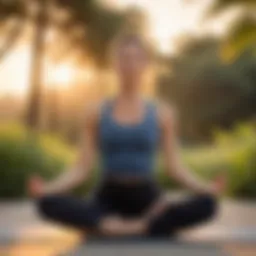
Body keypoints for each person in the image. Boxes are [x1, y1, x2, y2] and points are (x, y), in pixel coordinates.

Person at [28, 34, 225, 238]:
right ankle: (144, 226)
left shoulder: (163, 113)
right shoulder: (95, 111)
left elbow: (175, 167)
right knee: (46, 203)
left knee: (208, 205)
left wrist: (205, 187)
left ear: (146, 64)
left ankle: (112, 227)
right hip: (108, 195)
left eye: (136, 58)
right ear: (114, 64)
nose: (130, 64)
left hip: (147, 196)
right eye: (123, 58)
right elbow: (81, 168)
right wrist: (48, 188)